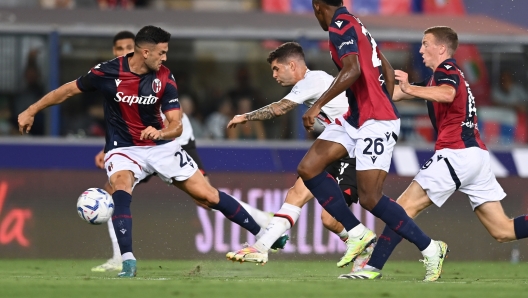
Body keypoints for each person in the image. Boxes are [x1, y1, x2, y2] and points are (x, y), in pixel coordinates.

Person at [17, 25, 283, 278]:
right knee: (120, 185)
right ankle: (127, 259)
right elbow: (67, 91)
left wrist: (161, 132)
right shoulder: (107, 72)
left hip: (161, 146)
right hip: (124, 148)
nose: (165, 57)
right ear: (145, 52)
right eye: (162, 52)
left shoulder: (165, 77)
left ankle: (265, 232)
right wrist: (31, 110)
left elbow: (176, 125)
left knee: (208, 196)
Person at [342, 26, 528, 280]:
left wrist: (409, 89)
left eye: (425, 43)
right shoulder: (435, 78)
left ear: (441, 48)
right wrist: (369, 75)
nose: (420, 50)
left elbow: (447, 94)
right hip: (475, 156)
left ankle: (371, 267)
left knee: (403, 207)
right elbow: (394, 94)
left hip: (457, 154)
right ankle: (373, 266)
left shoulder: (447, 71)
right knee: (502, 230)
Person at [296, 0, 446, 282]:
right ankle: (357, 234)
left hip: (375, 122)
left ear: (317, 6)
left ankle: (430, 247)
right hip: (357, 118)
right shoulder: (356, 24)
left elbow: (351, 70)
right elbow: (386, 70)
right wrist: (379, 101)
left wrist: (318, 106)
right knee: (309, 167)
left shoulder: (339, 26)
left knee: (370, 198)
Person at [226, 41, 373, 270]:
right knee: (297, 193)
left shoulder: (311, 81)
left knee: (329, 219)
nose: (274, 75)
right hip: (337, 146)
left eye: (277, 68)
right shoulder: (315, 82)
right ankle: (261, 247)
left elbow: (279, 108)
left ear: (292, 65)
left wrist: (245, 117)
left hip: (354, 150)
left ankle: (365, 244)